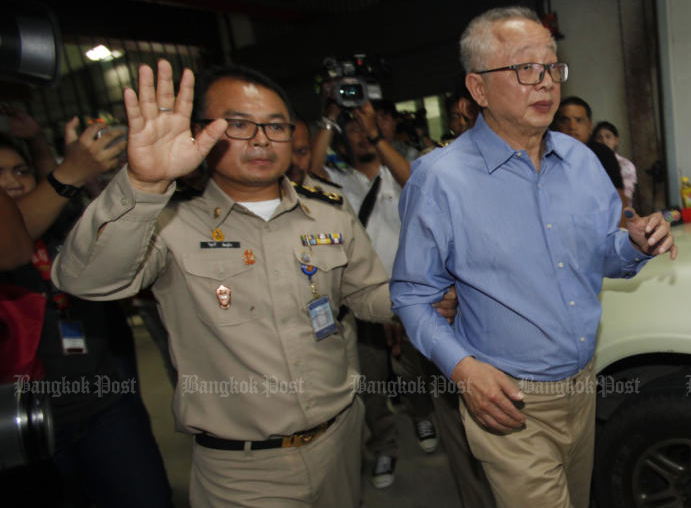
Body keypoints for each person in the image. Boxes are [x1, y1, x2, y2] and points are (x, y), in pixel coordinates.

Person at [51, 61, 453, 508]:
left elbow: (365, 292)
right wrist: (144, 184)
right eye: (239, 125)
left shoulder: (328, 212)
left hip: (340, 442)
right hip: (243, 470)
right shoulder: (169, 223)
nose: (261, 139)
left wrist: (424, 300)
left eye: (275, 126)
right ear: (202, 132)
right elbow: (84, 280)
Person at [390, 6, 676, 508]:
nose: (545, 83)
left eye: (551, 68)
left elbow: (598, 255)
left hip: (584, 384)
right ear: (478, 89)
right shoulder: (440, 179)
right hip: (508, 399)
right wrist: (464, 370)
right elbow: (412, 295)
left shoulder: (582, 161)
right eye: (525, 69)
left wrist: (632, 243)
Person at [0, 129, 173, 508]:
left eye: (20, 170)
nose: (11, 182)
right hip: (35, 416)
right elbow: (17, 232)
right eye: (0, 174)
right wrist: (71, 170)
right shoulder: (12, 238)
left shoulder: (60, 225)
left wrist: (42, 146)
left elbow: (61, 201)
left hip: (105, 403)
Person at [313, 103, 440, 489]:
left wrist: (376, 135)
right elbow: (310, 170)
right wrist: (330, 117)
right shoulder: (337, 180)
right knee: (370, 380)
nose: (360, 135)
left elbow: (414, 179)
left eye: (366, 128)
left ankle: (421, 414)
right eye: (351, 130)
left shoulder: (399, 172)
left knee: (414, 371)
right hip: (359, 299)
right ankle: (384, 443)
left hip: (408, 296)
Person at [592, 120, 637, 203]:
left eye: (608, 137)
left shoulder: (625, 165)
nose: (604, 141)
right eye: (599, 138)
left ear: (616, 140)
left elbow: (625, 197)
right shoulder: (590, 163)